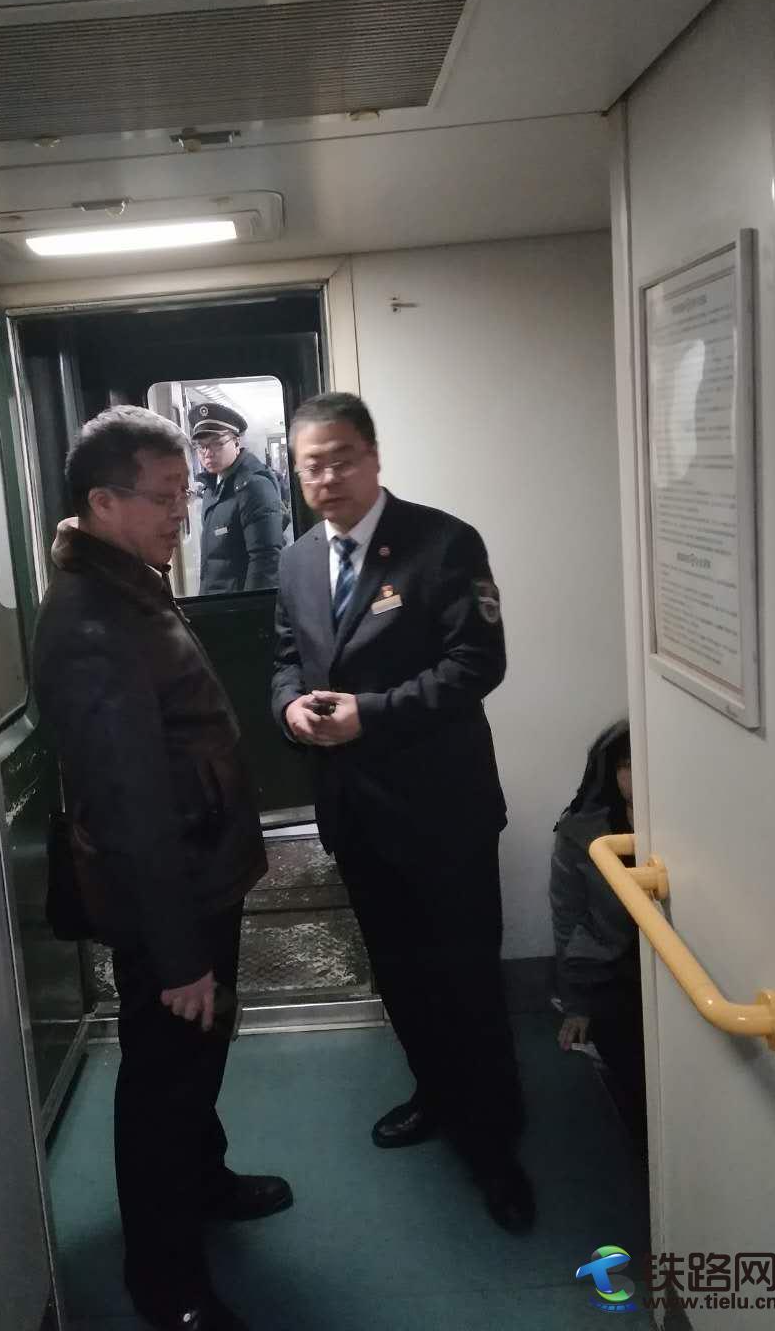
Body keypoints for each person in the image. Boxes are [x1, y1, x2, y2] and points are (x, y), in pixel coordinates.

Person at [32, 406, 291, 1331]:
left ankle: (205, 1181)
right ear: (104, 502)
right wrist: (180, 955)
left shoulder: (128, 583)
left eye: (186, 492)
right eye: (166, 496)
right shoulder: (92, 620)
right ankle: (167, 1284)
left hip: (198, 874)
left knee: (197, 1057)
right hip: (168, 897)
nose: (183, 510)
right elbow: (129, 806)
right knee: (162, 1086)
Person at [270, 391, 533, 1234]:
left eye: (342, 458)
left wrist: (370, 716)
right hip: (356, 812)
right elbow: (287, 657)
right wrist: (289, 709)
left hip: (443, 814)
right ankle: (435, 1093)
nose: (327, 477)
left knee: (466, 979)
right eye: (311, 464)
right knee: (400, 974)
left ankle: (495, 1144)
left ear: (375, 457)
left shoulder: (443, 543)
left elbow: (477, 663)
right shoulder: (298, 561)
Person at [550, 720, 646, 1154]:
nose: (636, 775)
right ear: (610, 771)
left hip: (678, 966)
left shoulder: (694, 824)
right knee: (631, 1063)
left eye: (644, 762)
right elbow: (567, 919)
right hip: (611, 968)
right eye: (626, 764)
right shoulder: (581, 833)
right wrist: (577, 1005)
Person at [189, 401, 284, 593]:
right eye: (201, 446)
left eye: (216, 443)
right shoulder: (212, 487)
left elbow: (266, 560)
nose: (207, 453)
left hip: (237, 605)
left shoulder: (254, 487)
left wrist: (248, 608)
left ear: (236, 442)